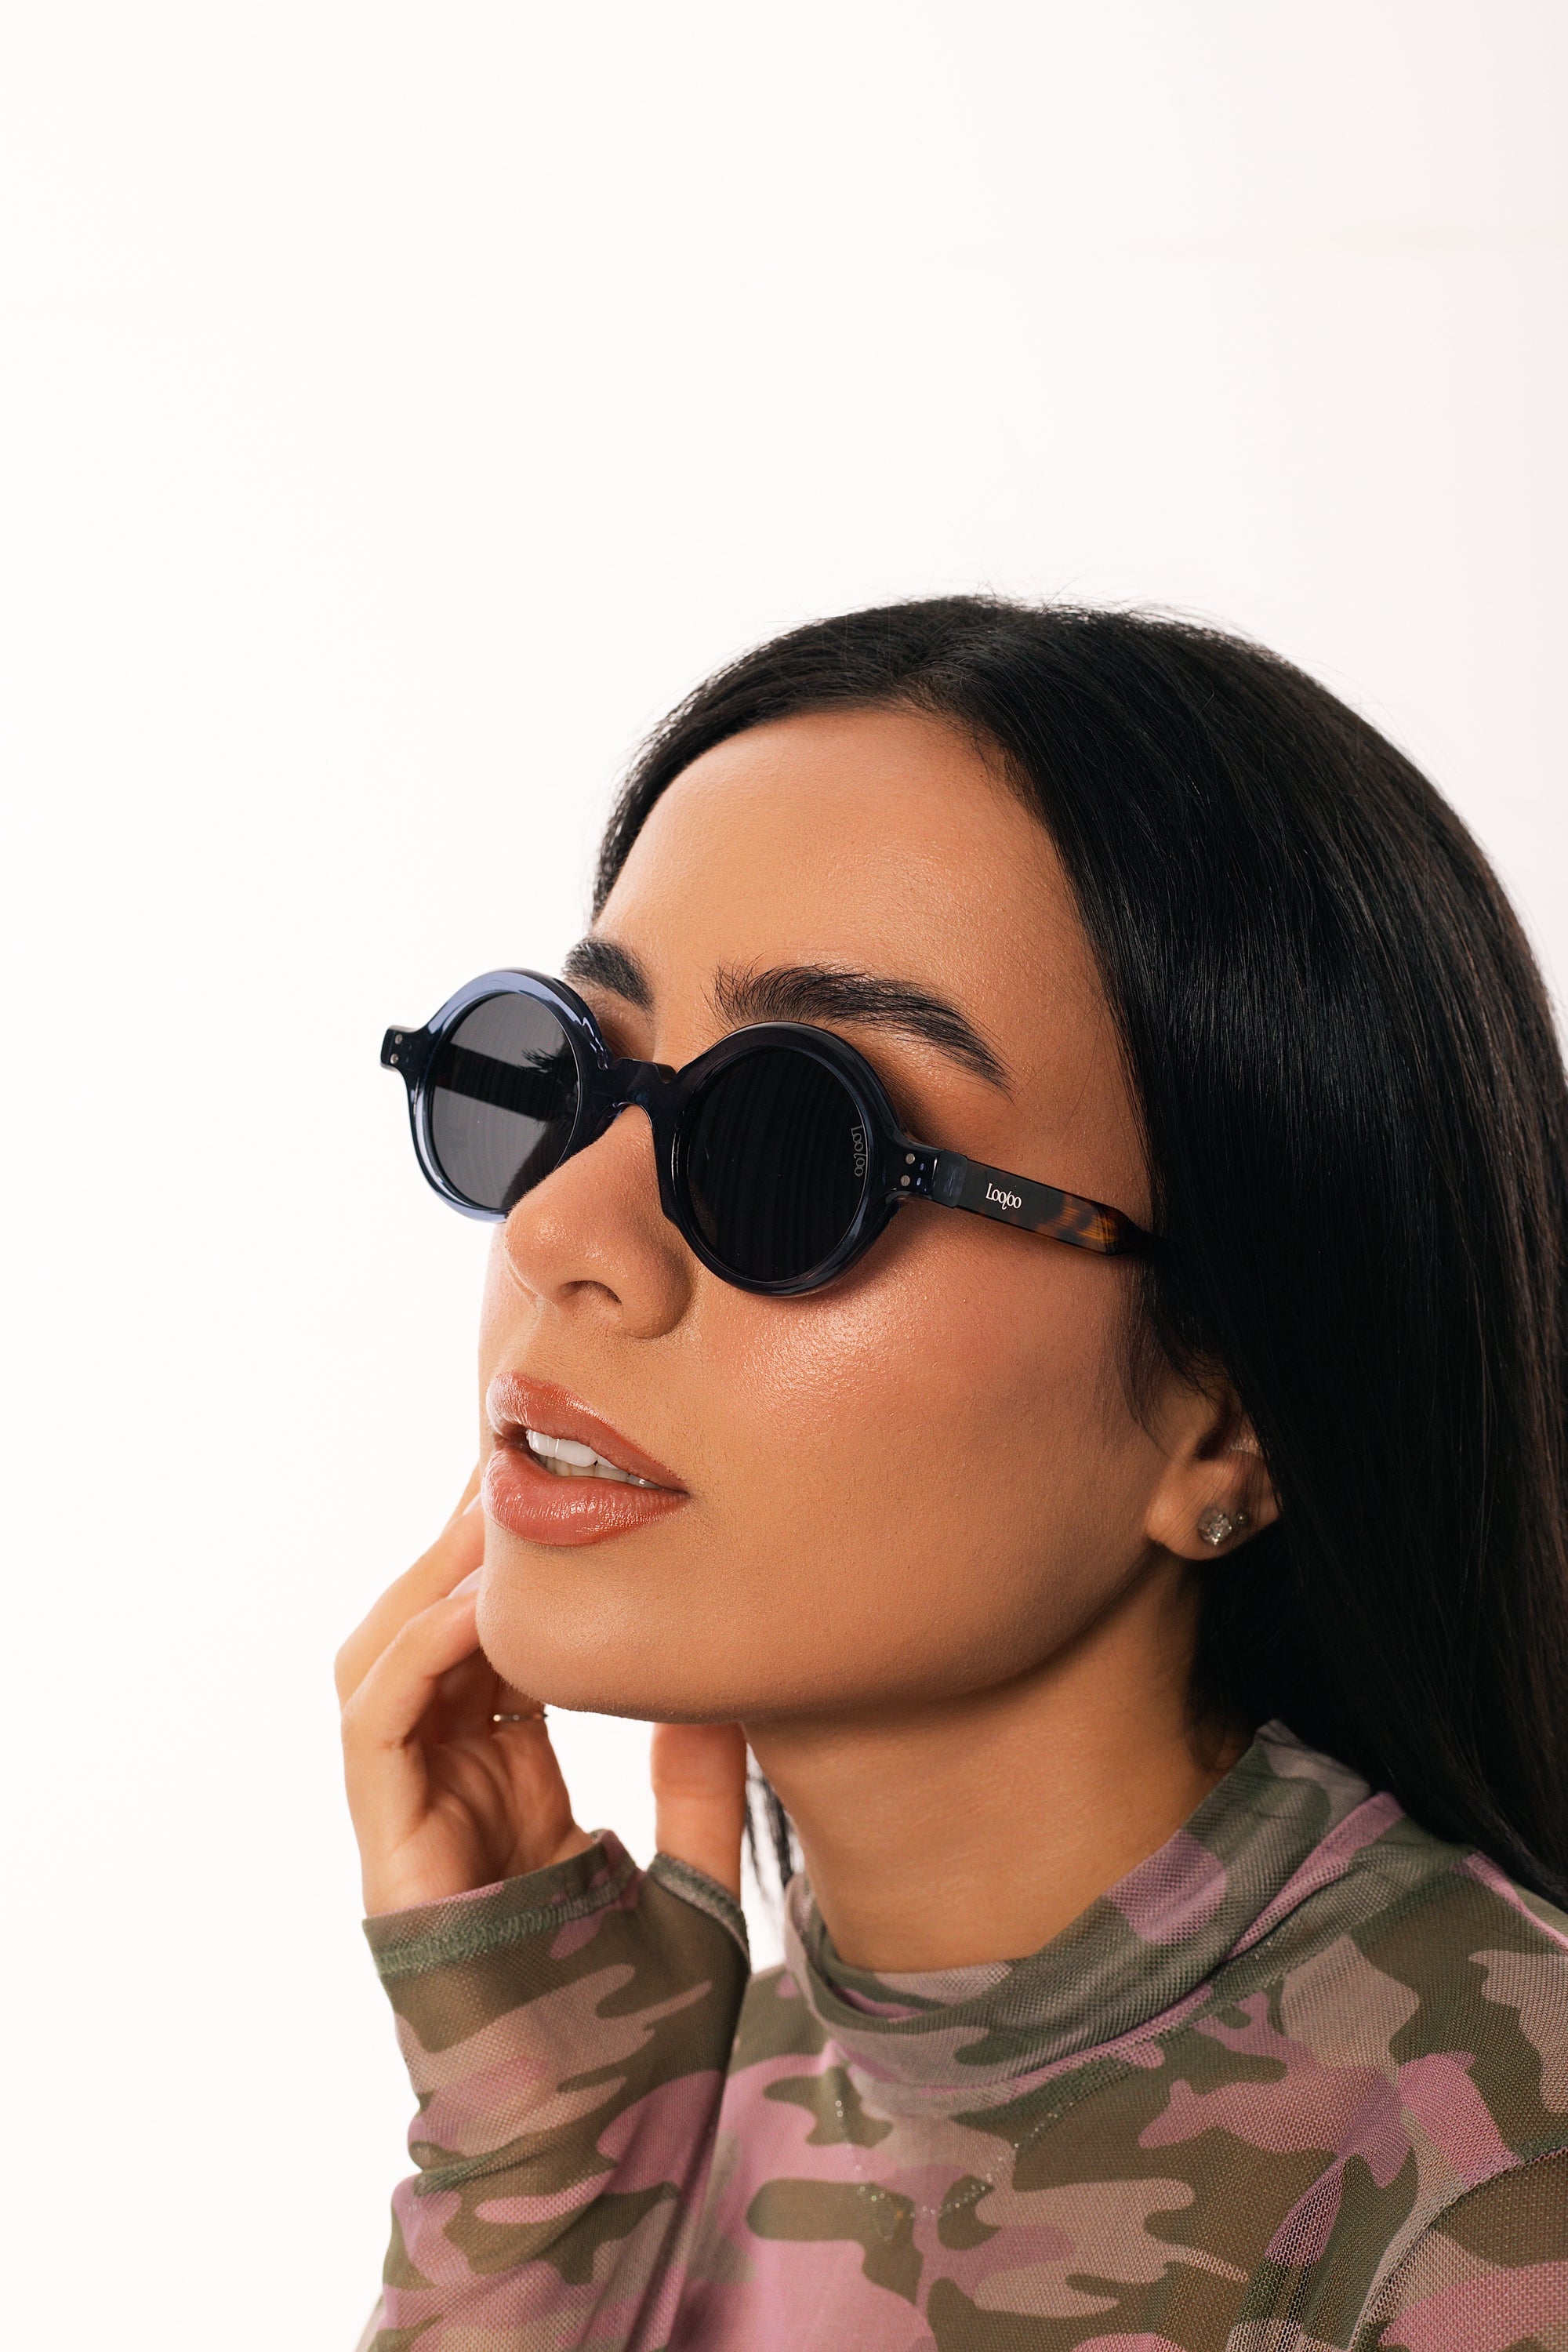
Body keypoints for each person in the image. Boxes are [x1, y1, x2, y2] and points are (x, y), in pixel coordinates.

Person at [338, 598, 1568, 2351]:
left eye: (790, 1147)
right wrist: (531, 2179)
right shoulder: (653, 2103)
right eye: (553, 1082)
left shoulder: (1492, 2180)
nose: (556, 1230)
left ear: (1227, 1413)